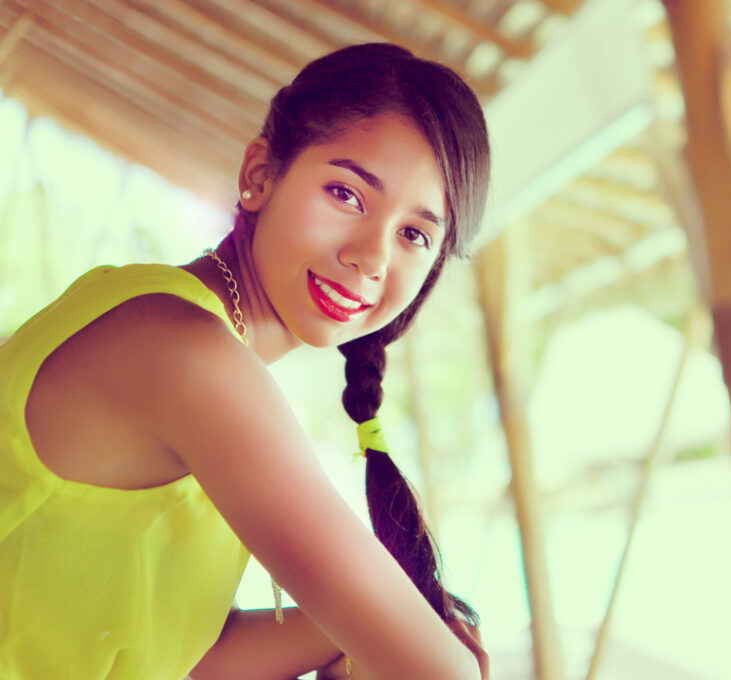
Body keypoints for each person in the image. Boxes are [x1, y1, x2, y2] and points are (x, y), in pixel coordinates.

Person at [0, 43, 490, 680]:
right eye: (347, 194)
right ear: (260, 174)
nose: (372, 256)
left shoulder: (185, 331)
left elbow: (189, 658)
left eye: (415, 235)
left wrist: (350, 634)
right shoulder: (186, 356)